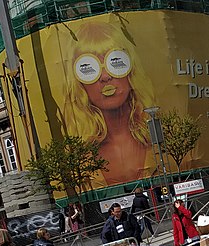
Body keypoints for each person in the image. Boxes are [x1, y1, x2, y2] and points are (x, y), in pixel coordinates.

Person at [58, 21, 155, 185]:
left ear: (131, 70)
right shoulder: (78, 158)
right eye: (89, 68)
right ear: (78, 82)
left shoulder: (162, 138)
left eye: (115, 62)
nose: (105, 76)